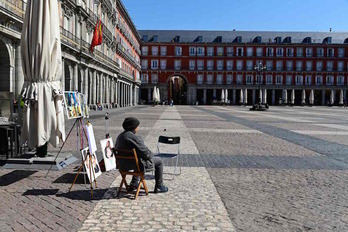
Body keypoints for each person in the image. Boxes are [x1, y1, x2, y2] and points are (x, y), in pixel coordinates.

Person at [115, 117, 168, 193]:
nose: (138, 128)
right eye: (137, 126)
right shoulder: (133, 137)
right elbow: (146, 153)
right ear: (133, 127)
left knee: (137, 158)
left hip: (122, 164)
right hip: (133, 164)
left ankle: (134, 182)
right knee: (159, 161)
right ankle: (159, 185)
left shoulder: (120, 136)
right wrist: (151, 155)